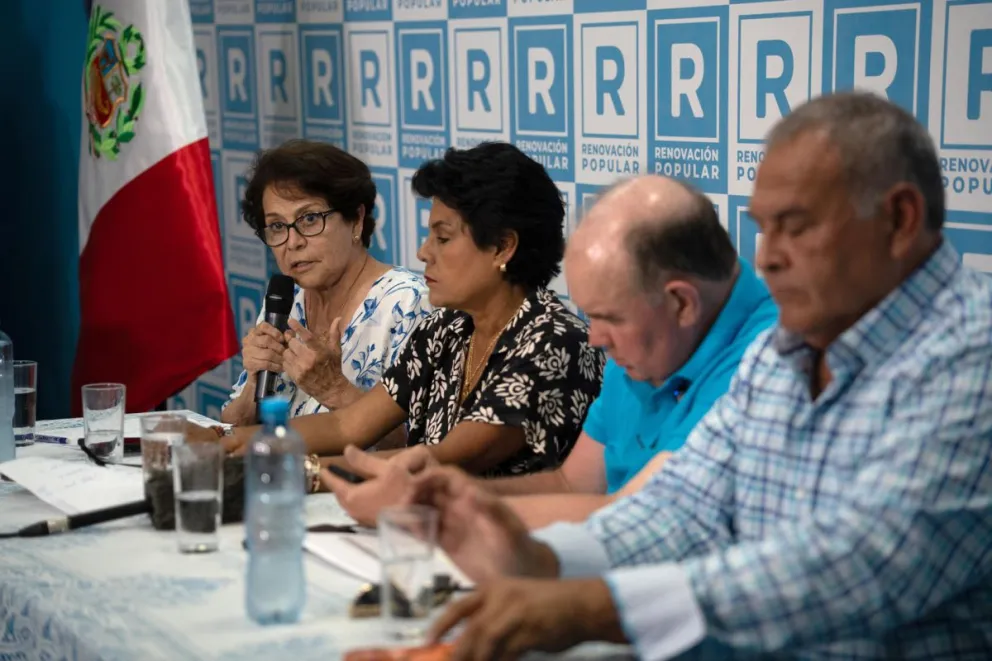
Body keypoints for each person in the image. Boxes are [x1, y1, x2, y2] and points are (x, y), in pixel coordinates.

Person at [404, 92, 992, 660]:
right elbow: (687, 508)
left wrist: (594, 605)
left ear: (899, 219)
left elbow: (867, 565)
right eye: (765, 226)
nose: (767, 256)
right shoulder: (786, 350)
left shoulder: (973, 350)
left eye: (796, 225)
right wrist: (543, 561)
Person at [325, 175, 778, 529]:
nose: (595, 338)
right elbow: (574, 483)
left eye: (610, 319)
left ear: (681, 303)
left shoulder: (766, 365)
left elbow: (632, 515)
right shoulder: (648, 327)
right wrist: (445, 489)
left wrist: (436, 506)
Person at [200, 142, 604, 489]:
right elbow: (349, 426)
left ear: (502, 248)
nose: (423, 252)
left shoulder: (553, 341)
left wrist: (283, 467)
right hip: (423, 528)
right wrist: (229, 442)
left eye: (442, 238)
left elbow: (442, 461)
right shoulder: (446, 328)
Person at [221, 140, 430, 435]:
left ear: (356, 220)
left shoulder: (408, 304)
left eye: (309, 219)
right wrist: (254, 382)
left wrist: (335, 390)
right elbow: (233, 427)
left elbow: (421, 445)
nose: (293, 242)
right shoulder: (285, 301)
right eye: (278, 226)